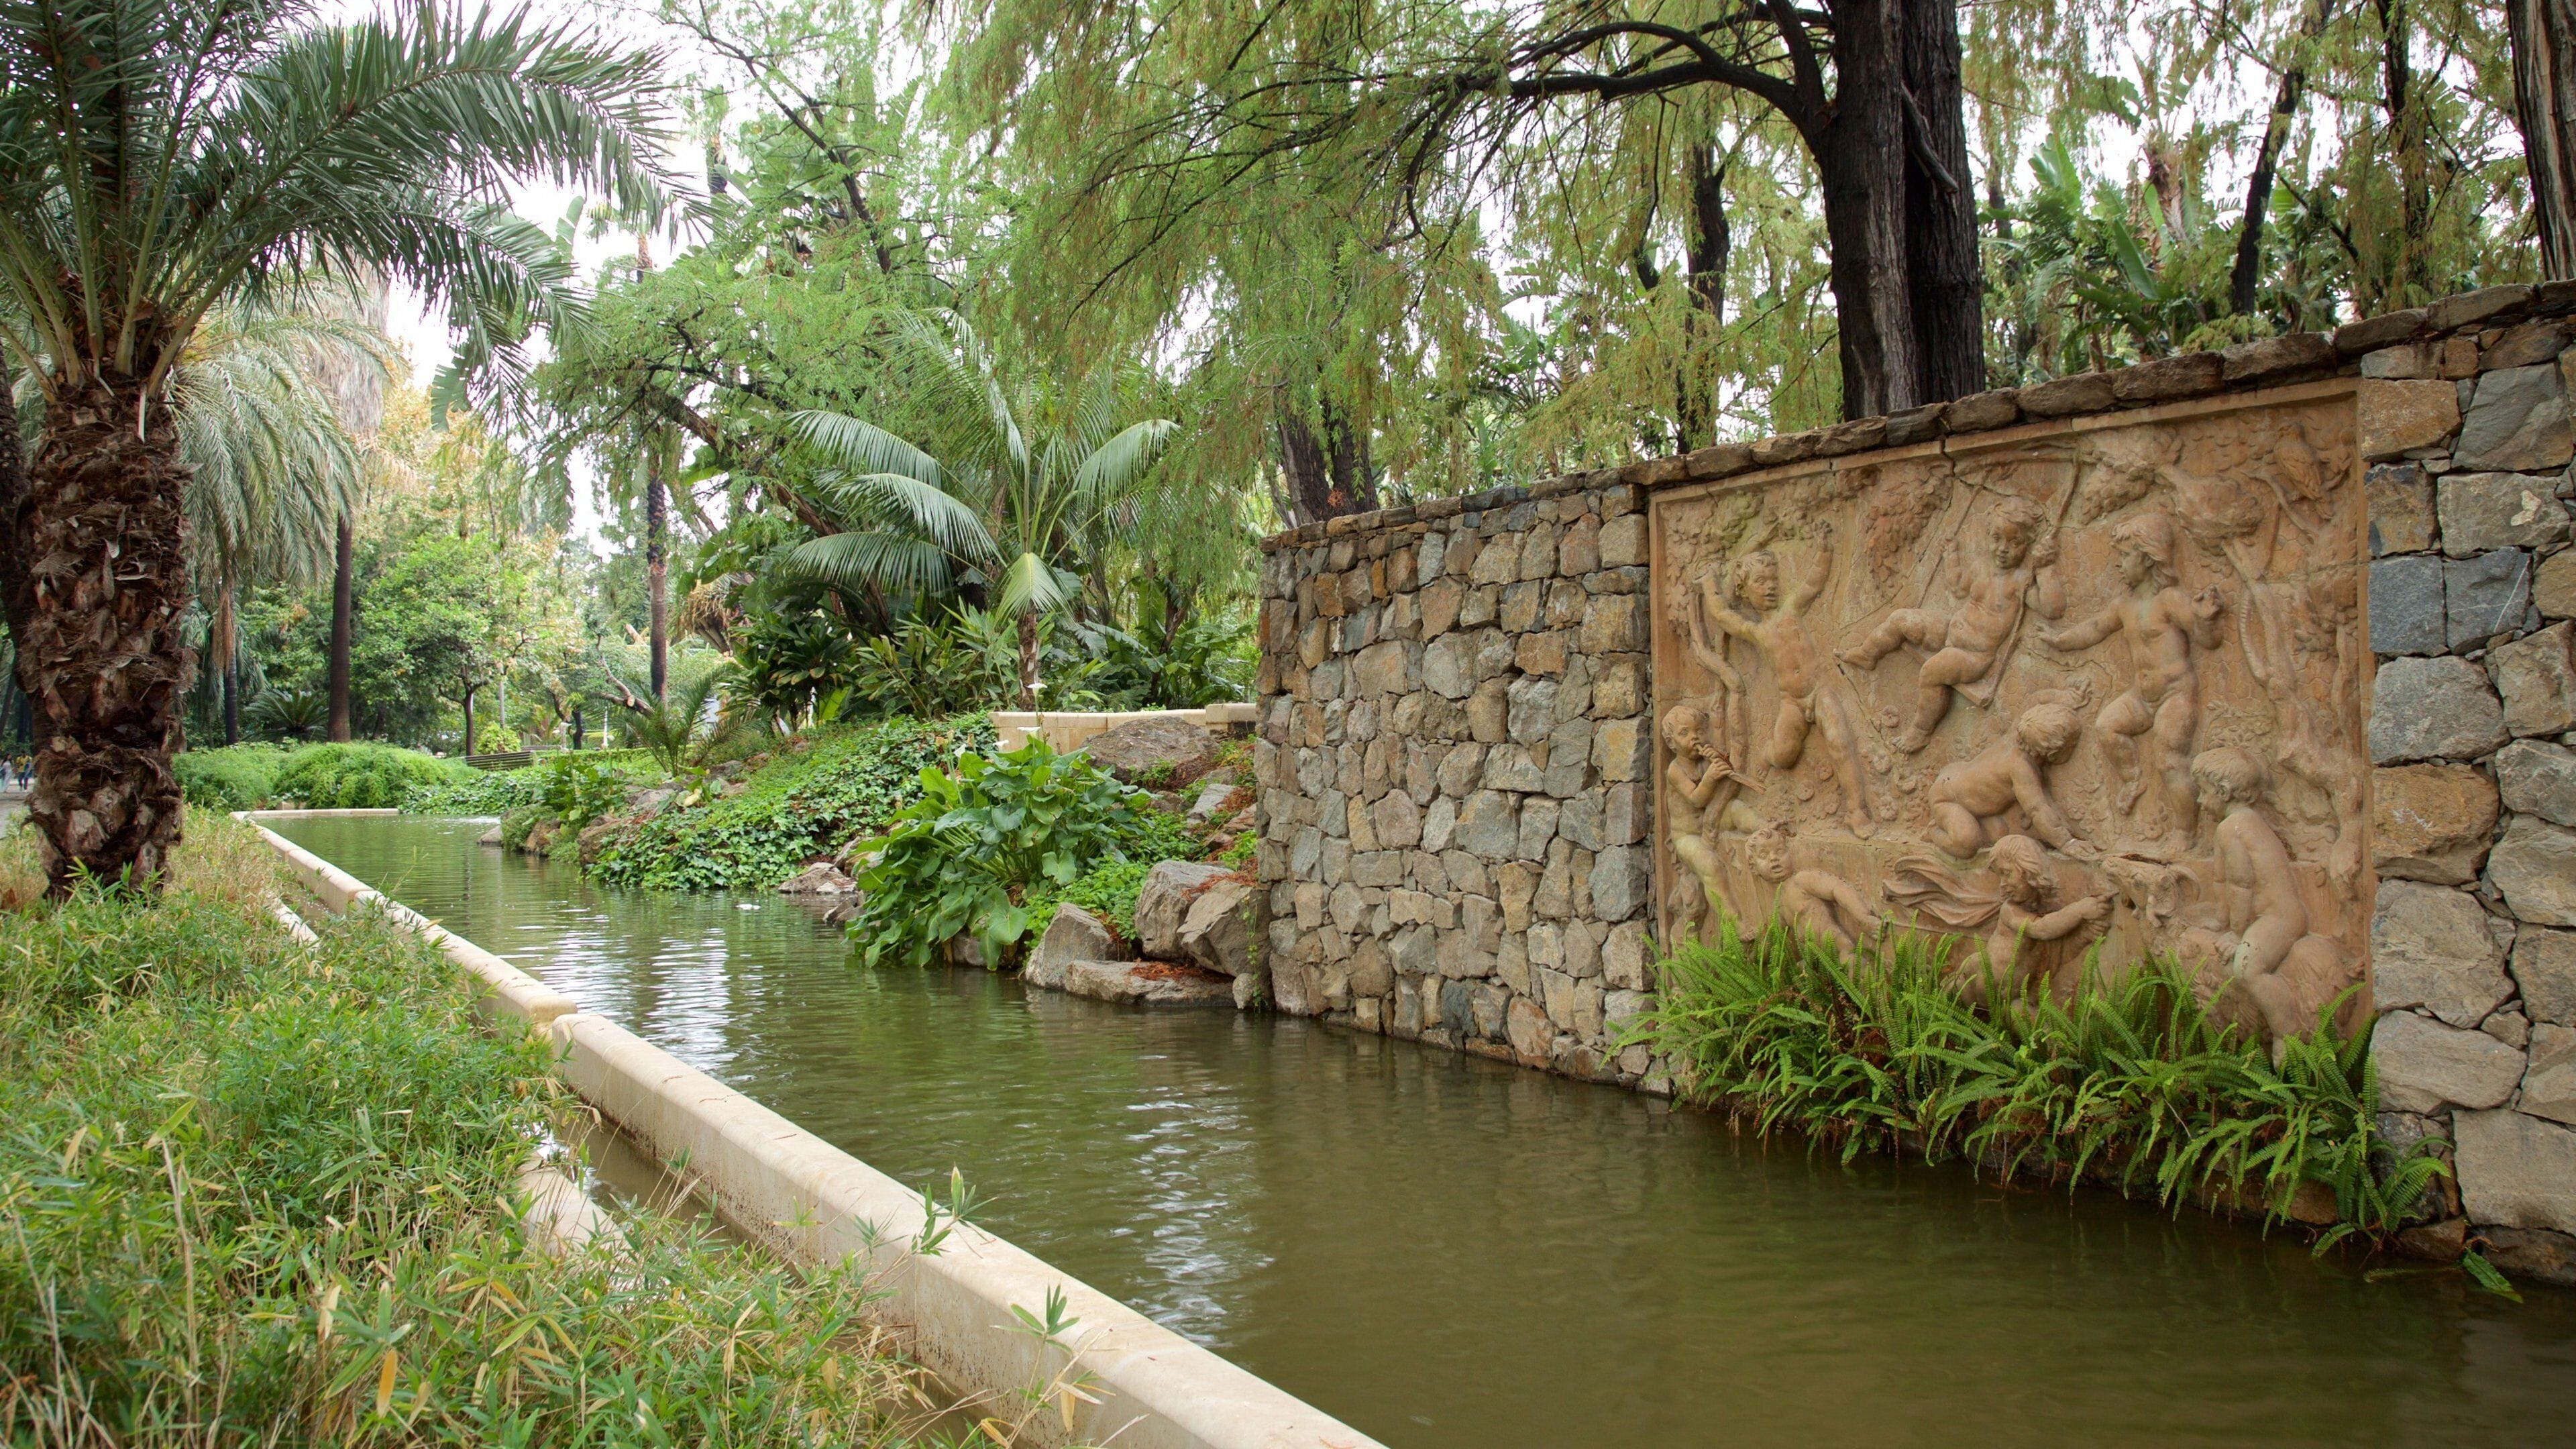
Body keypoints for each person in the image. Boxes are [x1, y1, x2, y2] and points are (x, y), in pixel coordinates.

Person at [2037, 511, 2222, 853]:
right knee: (2108, 725)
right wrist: (2059, 640)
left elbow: (2205, 640)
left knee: (2169, 760)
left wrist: (2206, 620)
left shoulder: (2170, 600)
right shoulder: (2125, 604)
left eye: (2125, 556)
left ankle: (2186, 833)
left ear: (2149, 557)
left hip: (2175, 694)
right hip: (2142, 696)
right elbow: (2095, 628)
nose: (2119, 565)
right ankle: (2132, 778)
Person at [1690, 525, 1880, 836]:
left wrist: (1824, 549)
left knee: (1839, 740)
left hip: (1818, 693)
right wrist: (1710, 584)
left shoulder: (1791, 610)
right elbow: (1723, 615)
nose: (1769, 588)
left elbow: (1814, 581)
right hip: (1791, 702)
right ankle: (1767, 753)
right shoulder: (1757, 631)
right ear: (1745, 590)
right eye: (1760, 582)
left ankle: (1857, 811)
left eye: (1773, 581)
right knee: (1784, 755)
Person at [1839, 496, 2063, 751]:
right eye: (1996, 538)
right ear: (1988, 535)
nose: (2003, 548)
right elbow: (1957, 587)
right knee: (1903, 618)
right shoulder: (1982, 567)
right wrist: (1952, 555)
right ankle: (1867, 654)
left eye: (2015, 543)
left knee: (1932, 672)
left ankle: (1920, 731)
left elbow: (2052, 609)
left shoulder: (2020, 582)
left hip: (1973, 656)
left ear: (2028, 545)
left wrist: (2047, 570)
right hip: (1950, 631)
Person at [2182, 747, 2357, 1043]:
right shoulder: (2236, 825)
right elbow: (2223, 882)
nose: (2199, 800)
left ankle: (2286, 1033)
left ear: (2224, 792)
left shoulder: (2234, 828)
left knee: (2247, 970)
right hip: (2269, 918)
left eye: (2203, 792)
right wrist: (2221, 922)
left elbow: (2241, 885)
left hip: (2280, 919)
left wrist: (2237, 935)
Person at [1923, 695, 2095, 859]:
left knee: (1998, 828)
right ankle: (1933, 832)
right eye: (2071, 745)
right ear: (2052, 754)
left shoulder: (2021, 730)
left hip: (1955, 774)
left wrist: (2067, 697)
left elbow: (2036, 699)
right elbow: (2037, 809)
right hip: (1949, 799)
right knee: (1967, 844)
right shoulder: (2020, 768)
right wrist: (2066, 843)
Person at [1741, 820, 1878, 955]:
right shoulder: (1780, 906)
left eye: (1780, 851)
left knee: (1852, 963)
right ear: (1754, 869)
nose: (1774, 858)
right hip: (1817, 960)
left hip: (1839, 947)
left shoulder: (1802, 880)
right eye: (1764, 855)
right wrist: (1753, 960)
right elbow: (1773, 938)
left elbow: (1838, 888)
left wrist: (1863, 918)